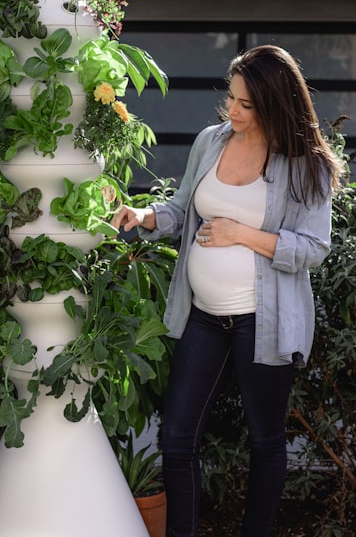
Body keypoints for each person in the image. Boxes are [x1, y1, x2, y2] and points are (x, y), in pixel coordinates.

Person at [112, 44, 343, 536]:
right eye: (231, 98)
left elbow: (313, 248)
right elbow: (182, 208)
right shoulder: (210, 142)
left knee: (264, 440)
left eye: (245, 104)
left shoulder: (306, 167)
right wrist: (147, 216)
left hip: (264, 322)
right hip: (204, 316)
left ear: (275, 104)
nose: (232, 111)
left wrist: (240, 233)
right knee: (176, 439)